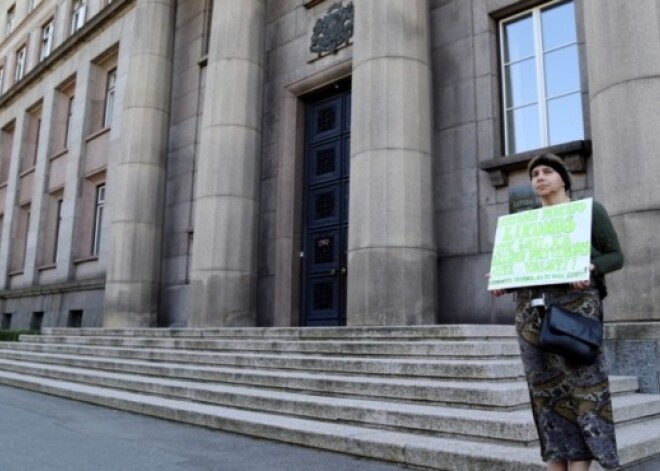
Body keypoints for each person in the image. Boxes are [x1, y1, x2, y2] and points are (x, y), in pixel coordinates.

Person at [491, 153, 624, 471]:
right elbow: (526, 266)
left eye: (547, 171)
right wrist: (502, 280)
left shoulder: (588, 211)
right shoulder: (526, 223)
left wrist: (591, 266)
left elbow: (615, 256)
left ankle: (581, 463)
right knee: (544, 391)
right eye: (534, 173)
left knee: (584, 386)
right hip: (531, 311)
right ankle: (556, 462)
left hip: (577, 308)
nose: (539, 176)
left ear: (563, 178)